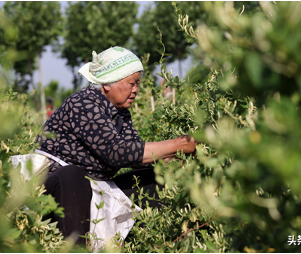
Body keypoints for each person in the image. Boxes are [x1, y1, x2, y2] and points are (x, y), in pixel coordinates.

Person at [34, 46, 197, 245]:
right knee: (73, 174)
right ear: (108, 84)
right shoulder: (84, 102)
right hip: (57, 191)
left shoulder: (120, 112)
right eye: (131, 83)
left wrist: (176, 158)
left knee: (159, 179)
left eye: (138, 83)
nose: (136, 89)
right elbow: (117, 153)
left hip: (95, 190)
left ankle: (155, 241)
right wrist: (178, 144)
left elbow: (138, 155)